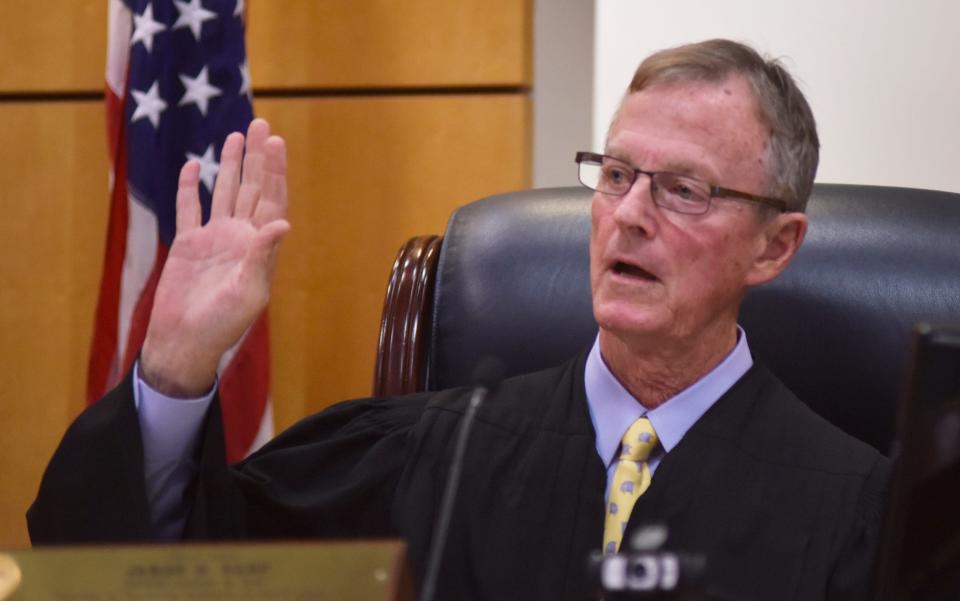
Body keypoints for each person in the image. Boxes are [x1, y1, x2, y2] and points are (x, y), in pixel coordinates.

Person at [29, 39, 889, 600]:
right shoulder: (425, 457)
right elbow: (166, 578)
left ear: (775, 247)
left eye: (685, 189)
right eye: (618, 173)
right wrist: (174, 372)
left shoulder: (861, 512)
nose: (628, 214)